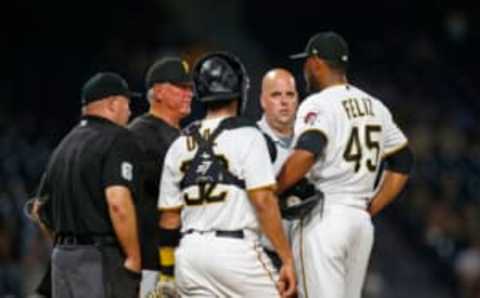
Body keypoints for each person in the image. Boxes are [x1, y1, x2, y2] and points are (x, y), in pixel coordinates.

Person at [277, 32, 414, 298]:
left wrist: (273, 188)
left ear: (316, 63)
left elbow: (308, 151)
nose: (305, 69)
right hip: (360, 223)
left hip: (324, 217)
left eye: (307, 63)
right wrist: (370, 207)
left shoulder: (318, 103)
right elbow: (403, 160)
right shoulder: (376, 106)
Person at [158, 52, 296, 297]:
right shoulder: (249, 136)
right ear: (238, 91)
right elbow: (263, 201)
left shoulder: (179, 144)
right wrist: (287, 259)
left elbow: (169, 220)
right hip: (235, 252)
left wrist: (167, 273)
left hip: (189, 255)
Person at [36, 72, 143, 298]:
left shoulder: (64, 144)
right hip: (98, 259)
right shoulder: (118, 138)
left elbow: (38, 209)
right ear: (113, 104)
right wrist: (133, 257)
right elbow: (117, 202)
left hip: (62, 259)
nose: (130, 111)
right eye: (127, 103)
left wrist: (65, 243)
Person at [128, 57, 193, 297]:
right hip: (151, 263)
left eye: (190, 88)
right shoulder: (140, 134)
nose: (189, 93)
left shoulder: (184, 136)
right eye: (180, 87)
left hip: (179, 261)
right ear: (158, 92)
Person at [257, 68, 299, 269]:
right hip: (263, 256)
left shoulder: (310, 142)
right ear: (263, 101)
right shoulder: (250, 140)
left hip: (304, 256)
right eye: (276, 95)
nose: (284, 101)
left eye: (289, 94)